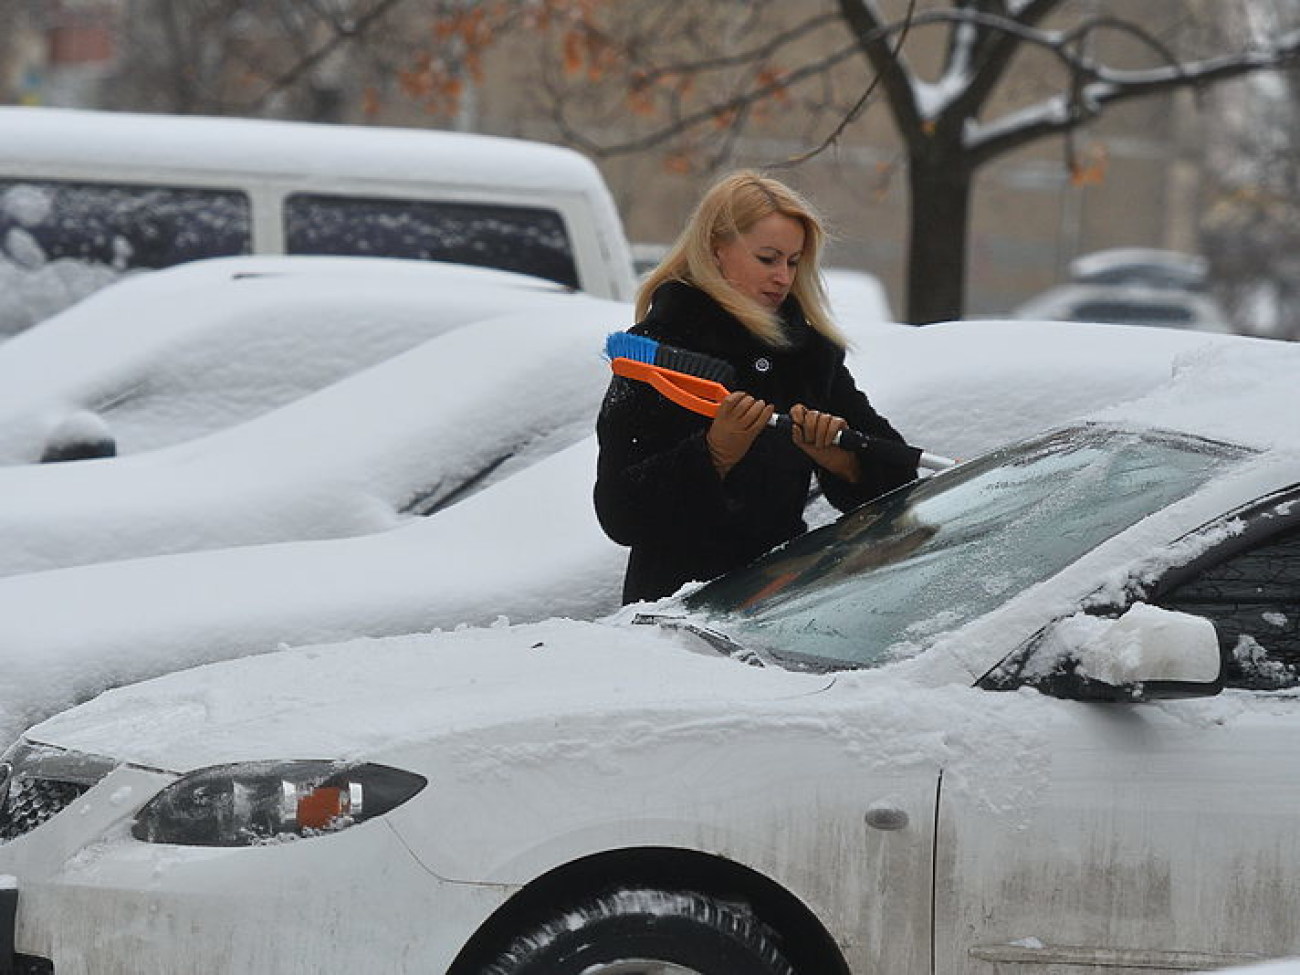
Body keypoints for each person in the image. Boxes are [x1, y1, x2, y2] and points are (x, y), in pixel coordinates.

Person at [594, 169, 920, 605]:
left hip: (780, 604)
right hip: (674, 608)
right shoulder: (657, 350)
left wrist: (843, 460)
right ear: (716, 250)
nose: (783, 277)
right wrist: (712, 455)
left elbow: (897, 477)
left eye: (793, 261)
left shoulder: (807, 354)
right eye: (768, 259)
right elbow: (620, 513)